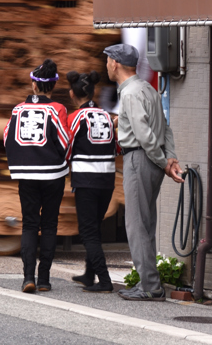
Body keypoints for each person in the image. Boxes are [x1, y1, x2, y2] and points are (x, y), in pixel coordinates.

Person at [104, 43, 182, 301]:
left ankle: (149, 286)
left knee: (137, 224)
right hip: (151, 159)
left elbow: (144, 135)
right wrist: (169, 159)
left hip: (139, 158)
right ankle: (150, 283)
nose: (106, 64)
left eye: (107, 60)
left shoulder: (129, 94)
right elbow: (165, 127)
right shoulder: (148, 88)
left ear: (115, 63)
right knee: (146, 223)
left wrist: (163, 161)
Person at [4, 59, 71, 293]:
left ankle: (27, 278)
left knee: (29, 224)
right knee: (49, 224)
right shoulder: (57, 109)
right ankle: (44, 280)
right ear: (53, 86)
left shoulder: (18, 109)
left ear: (34, 85)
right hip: (53, 174)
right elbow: (65, 141)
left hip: (26, 174)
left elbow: (6, 137)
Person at [65, 70, 116, 293]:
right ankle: (89, 275)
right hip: (107, 178)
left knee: (88, 232)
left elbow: (66, 147)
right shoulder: (106, 115)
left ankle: (104, 281)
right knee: (94, 226)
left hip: (86, 179)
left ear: (72, 94)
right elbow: (116, 147)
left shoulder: (76, 117)